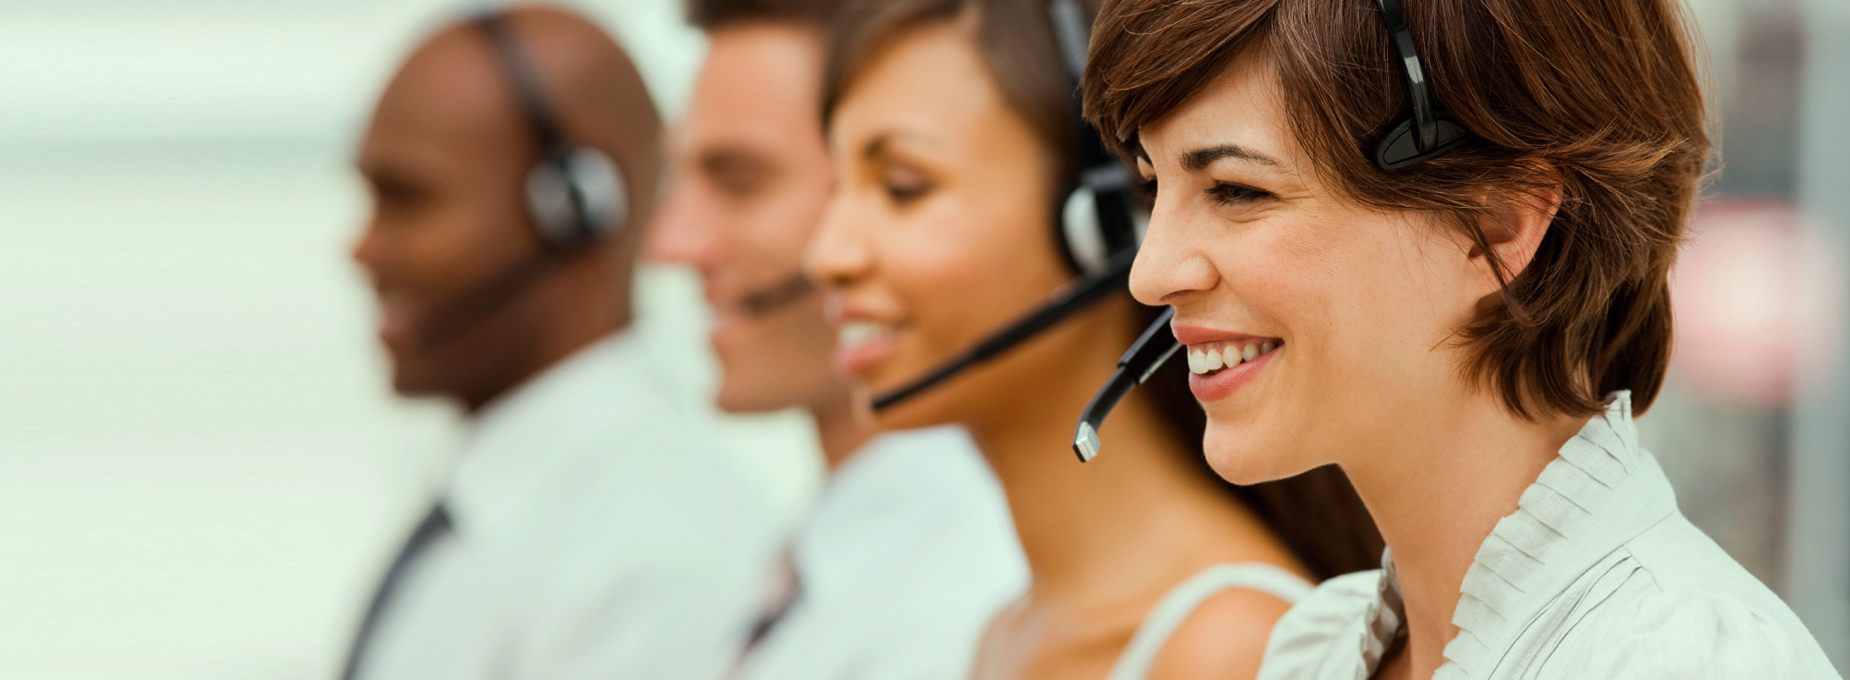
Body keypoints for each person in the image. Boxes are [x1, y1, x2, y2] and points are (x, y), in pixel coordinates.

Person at [1081, 0, 1842, 677]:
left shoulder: (1682, 660)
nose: (1150, 275)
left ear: (1496, 224)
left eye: (1236, 190)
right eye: (1155, 187)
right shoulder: (1311, 649)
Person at [803, 0, 1383, 678]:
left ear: (1102, 224)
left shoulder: (1228, 647)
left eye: (904, 187)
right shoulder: (1009, 630)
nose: (826, 253)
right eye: (835, 186)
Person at [343, 6, 779, 680]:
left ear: (576, 209)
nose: (362, 249)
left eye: (407, 199)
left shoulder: (649, 551)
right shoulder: (501, 507)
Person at [647, 0, 1029, 675]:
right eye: (676, 178)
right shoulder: (818, 554)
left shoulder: (956, 604)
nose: (672, 244)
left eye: (739, 181)